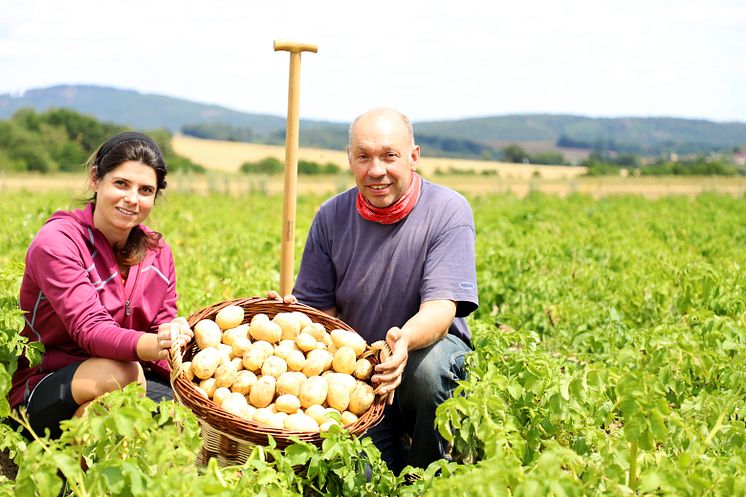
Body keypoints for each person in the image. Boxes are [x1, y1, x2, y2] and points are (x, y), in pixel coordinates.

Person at [292, 108, 478, 473]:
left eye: (389, 156)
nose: (376, 170)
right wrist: (292, 320)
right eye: (363, 157)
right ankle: (387, 454)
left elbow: (441, 310)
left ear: (413, 156)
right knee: (360, 474)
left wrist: (402, 343)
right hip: (357, 370)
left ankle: (429, 475)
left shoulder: (447, 211)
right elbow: (318, 311)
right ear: (350, 159)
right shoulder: (331, 216)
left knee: (429, 373)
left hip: (425, 352)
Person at [9, 131, 192, 439]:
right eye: (121, 184)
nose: (132, 199)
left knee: (182, 409)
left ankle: (90, 463)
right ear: (96, 179)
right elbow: (90, 330)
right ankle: (72, 473)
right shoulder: (58, 243)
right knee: (122, 374)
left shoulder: (157, 253)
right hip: (47, 388)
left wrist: (192, 364)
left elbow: (162, 331)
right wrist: (149, 346)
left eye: (145, 190)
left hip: (129, 383)